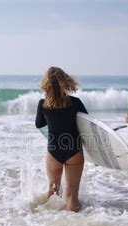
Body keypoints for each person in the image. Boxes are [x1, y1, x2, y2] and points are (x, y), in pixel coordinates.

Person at [35, 67, 88, 212]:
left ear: (46, 83)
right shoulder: (75, 102)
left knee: (53, 191)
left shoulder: (43, 104)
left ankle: (46, 224)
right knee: (72, 195)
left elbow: (38, 124)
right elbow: (87, 124)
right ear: (65, 80)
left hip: (53, 151)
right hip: (74, 151)